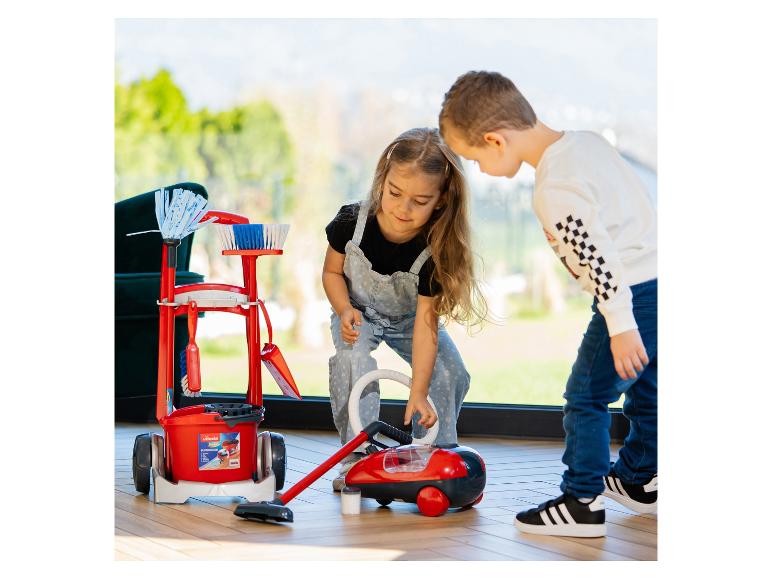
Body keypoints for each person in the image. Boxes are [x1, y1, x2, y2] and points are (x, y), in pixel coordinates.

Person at [439, 71, 657, 537]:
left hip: (630, 295)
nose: (478, 169)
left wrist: (620, 323)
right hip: (662, 281)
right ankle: (643, 480)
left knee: (586, 396)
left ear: (496, 141)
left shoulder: (554, 189)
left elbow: (597, 258)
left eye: (474, 158)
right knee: (648, 386)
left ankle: (581, 502)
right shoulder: (587, 143)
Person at [322, 127, 487, 491]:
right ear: (383, 180)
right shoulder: (350, 223)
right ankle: (357, 456)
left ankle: (431, 454)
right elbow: (332, 272)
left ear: (441, 200)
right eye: (395, 193)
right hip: (357, 313)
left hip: (411, 321)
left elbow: (427, 326)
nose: (403, 208)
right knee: (354, 361)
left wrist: (418, 391)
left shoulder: (435, 252)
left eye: (420, 200)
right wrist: (343, 307)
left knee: (450, 371)